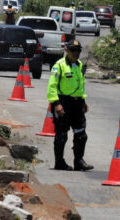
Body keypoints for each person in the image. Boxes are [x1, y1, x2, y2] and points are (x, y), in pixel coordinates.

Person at [47, 40, 94, 171]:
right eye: (73, 50)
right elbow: (52, 86)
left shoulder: (78, 65)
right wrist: (56, 104)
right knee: (61, 134)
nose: (76, 53)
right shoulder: (59, 65)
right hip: (63, 102)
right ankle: (59, 162)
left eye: (78, 50)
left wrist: (83, 102)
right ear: (67, 50)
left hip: (77, 103)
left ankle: (79, 161)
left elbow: (79, 85)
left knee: (81, 134)